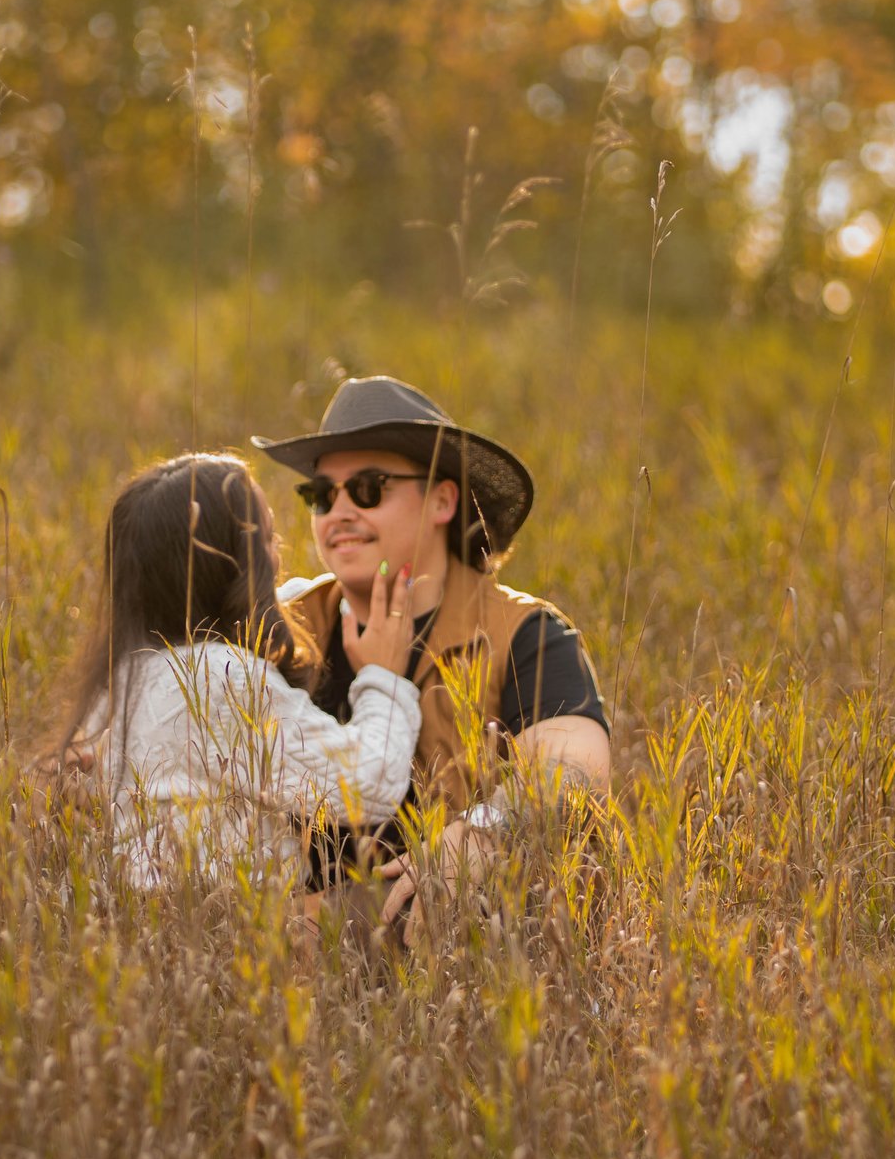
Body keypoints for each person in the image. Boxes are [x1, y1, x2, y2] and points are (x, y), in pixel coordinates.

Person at [251, 376, 611, 931]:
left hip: (460, 945)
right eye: (321, 495)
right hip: (286, 940)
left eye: (368, 488)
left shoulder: (526, 632)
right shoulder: (283, 623)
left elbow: (575, 768)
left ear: (443, 499)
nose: (338, 511)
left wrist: (484, 829)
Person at [53, 452, 425, 890]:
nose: (277, 555)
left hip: (157, 933)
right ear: (232, 565)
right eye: (267, 539)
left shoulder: (126, 678)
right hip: (231, 937)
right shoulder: (218, 678)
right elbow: (368, 784)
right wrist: (383, 674)